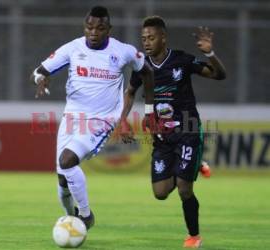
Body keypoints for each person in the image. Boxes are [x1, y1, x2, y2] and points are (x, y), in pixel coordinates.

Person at [30, 6, 154, 230]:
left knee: (67, 161)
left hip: (102, 119)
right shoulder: (73, 48)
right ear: (84, 27)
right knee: (62, 178)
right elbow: (39, 71)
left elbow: (145, 70)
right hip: (72, 117)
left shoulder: (122, 51)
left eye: (100, 28)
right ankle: (71, 219)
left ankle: (86, 216)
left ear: (109, 29)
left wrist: (148, 106)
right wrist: (41, 79)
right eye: (89, 27)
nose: (94, 32)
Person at [120, 16, 226, 248]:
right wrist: (123, 121)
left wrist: (210, 54)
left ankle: (194, 236)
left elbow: (219, 75)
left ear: (163, 38)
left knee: (184, 189)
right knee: (160, 192)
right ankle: (195, 164)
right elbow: (129, 92)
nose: (146, 42)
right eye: (143, 38)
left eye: (151, 37)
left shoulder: (182, 60)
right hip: (161, 136)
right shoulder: (141, 66)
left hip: (187, 130)